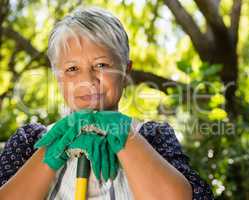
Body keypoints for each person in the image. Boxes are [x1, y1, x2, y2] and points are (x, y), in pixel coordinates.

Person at [0, 6, 214, 200]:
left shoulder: (153, 136)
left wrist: (127, 139)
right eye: (72, 69)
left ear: (126, 71)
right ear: (58, 78)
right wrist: (51, 152)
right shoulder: (30, 141)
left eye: (101, 65)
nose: (88, 81)